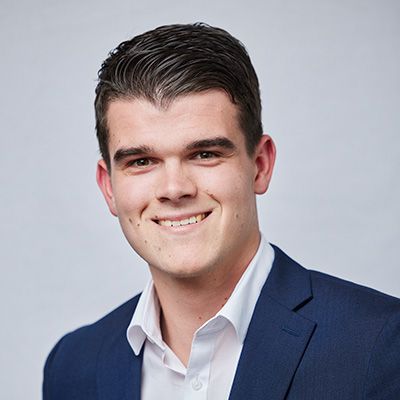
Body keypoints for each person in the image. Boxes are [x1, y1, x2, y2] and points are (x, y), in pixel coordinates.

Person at [43, 23, 400, 400]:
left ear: (260, 165)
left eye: (204, 154)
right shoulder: (73, 366)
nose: (174, 189)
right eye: (142, 161)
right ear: (108, 187)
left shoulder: (380, 345)